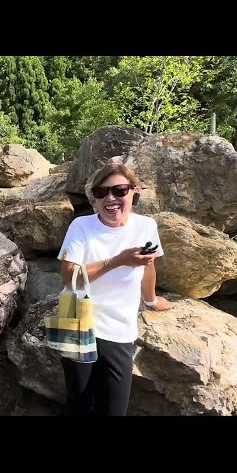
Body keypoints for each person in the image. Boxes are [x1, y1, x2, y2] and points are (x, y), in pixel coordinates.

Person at [57, 161, 172, 416]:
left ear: (134, 192)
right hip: (77, 322)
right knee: (78, 404)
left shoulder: (146, 226)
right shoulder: (81, 226)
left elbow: (148, 266)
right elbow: (69, 277)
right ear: (95, 199)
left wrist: (151, 300)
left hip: (119, 330)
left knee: (113, 410)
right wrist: (119, 260)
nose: (111, 198)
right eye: (102, 192)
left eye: (120, 190)